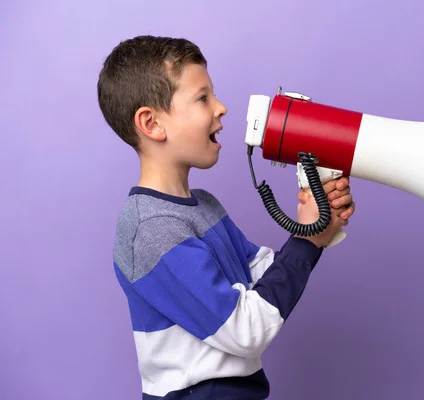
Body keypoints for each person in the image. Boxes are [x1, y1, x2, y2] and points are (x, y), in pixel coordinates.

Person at [97, 35, 356, 400]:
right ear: (152, 123)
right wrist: (307, 239)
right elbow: (244, 327)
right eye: (203, 98)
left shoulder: (204, 206)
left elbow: (262, 282)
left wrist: (315, 225)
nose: (221, 107)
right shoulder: (151, 229)